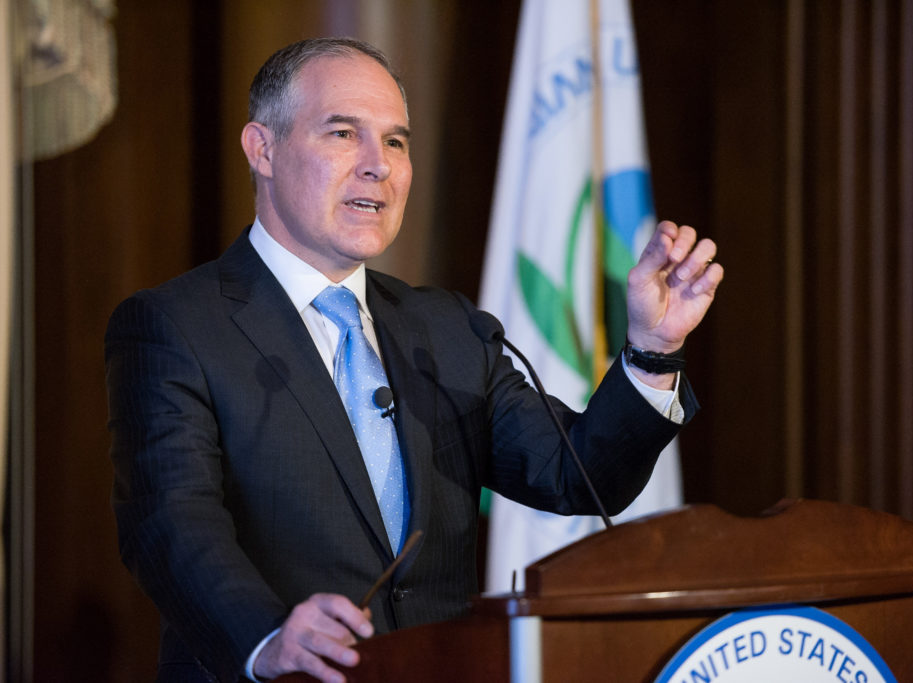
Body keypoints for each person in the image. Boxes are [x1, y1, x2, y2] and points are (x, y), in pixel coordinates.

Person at [105, 37, 723, 683]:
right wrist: (267, 636)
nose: (379, 165)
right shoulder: (175, 326)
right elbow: (170, 520)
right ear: (263, 149)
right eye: (344, 133)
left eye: (396, 142)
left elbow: (578, 474)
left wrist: (653, 348)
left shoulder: (447, 327)